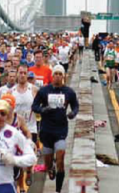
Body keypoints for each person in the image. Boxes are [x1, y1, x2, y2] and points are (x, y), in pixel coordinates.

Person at [31, 65, 78, 193]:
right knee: (48, 163)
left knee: (61, 157)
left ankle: (58, 189)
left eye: (60, 74)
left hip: (61, 130)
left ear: (63, 76)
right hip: (46, 131)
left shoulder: (69, 92)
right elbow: (34, 106)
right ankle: (50, 168)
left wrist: (72, 114)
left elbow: (75, 106)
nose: (57, 76)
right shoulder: (44, 91)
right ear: (52, 76)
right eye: (55, 73)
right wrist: (42, 110)